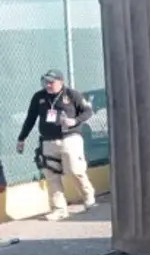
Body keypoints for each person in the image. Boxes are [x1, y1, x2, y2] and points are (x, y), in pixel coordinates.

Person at [15, 69, 96, 221]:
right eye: (46, 81)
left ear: (61, 81)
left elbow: (88, 111)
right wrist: (21, 138)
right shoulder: (39, 97)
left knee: (74, 170)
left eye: (51, 82)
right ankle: (59, 209)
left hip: (70, 138)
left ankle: (87, 195)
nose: (48, 85)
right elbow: (30, 118)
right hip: (48, 140)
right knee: (51, 176)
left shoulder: (72, 95)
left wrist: (75, 121)